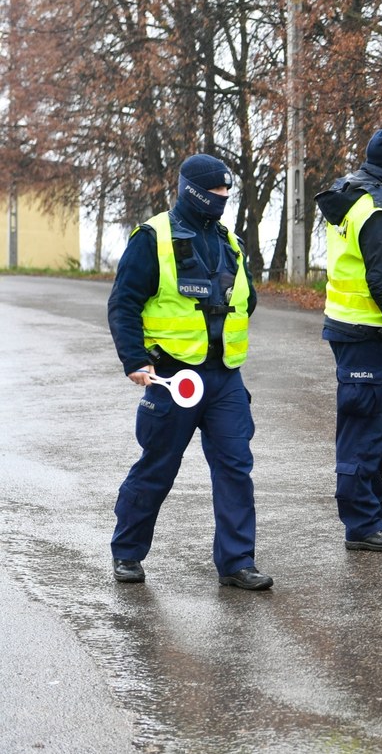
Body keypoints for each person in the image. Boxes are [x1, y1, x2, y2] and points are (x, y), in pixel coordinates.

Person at [106, 153, 272, 590]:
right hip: (171, 378)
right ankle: (127, 552)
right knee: (158, 465)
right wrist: (135, 359)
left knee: (236, 467)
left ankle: (237, 562)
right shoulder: (152, 238)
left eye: (227, 193)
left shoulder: (228, 240)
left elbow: (247, 298)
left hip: (224, 378)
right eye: (217, 192)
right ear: (194, 191)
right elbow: (124, 303)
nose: (223, 199)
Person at [315, 128, 382, 552]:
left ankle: (370, 505)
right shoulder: (378, 209)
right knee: (363, 429)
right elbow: (380, 279)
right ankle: (360, 524)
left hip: (358, 329)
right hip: (360, 331)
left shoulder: (354, 191)